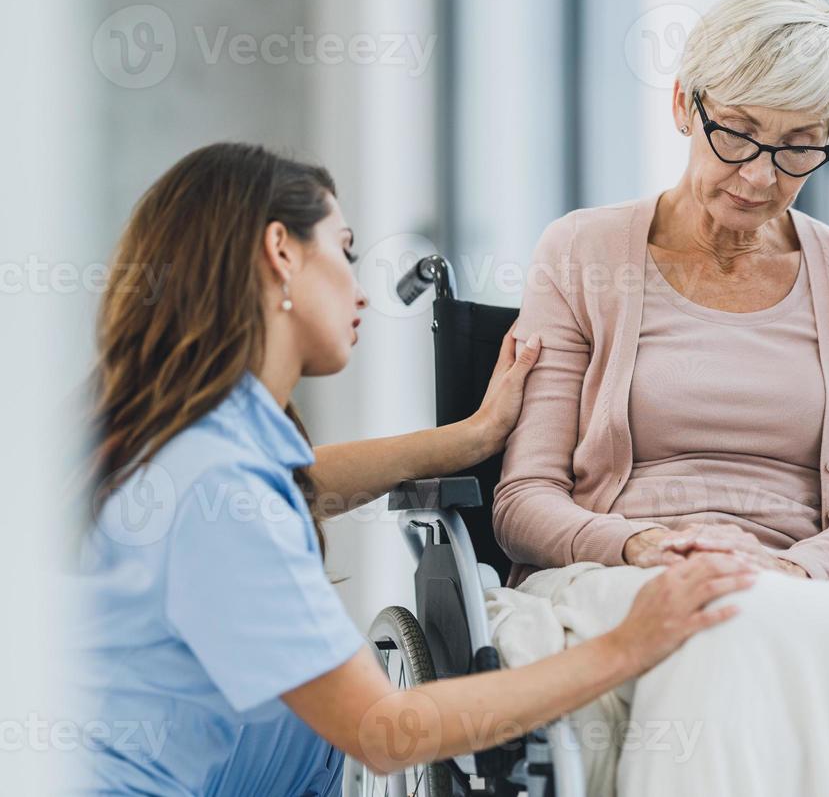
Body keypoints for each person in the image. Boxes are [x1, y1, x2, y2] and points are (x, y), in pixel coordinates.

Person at [72, 142, 755, 796]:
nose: (361, 289)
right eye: (344, 251)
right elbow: (384, 731)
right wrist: (628, 646)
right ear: (280, 251)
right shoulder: (218, 485)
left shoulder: (200, 448)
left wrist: (474, 436)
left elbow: (304, 483)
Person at [490, 0, 829, 795]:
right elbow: (523, 502)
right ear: (685, 104)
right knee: (721, 615)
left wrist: (797, 571)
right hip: (623, 573)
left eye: (798, 147)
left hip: (816, 574)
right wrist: (640, 545)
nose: (759, 175)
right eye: (738, 135)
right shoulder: (581, 252)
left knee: (762, 613)